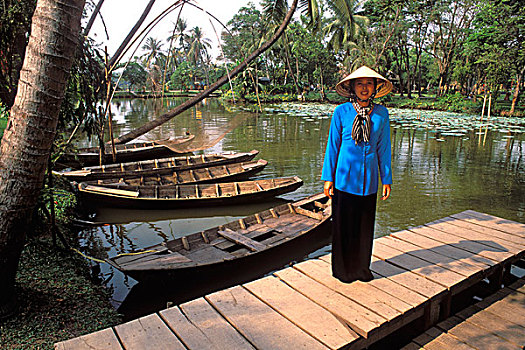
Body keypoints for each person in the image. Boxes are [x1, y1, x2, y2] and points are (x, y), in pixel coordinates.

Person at [321, 65, 393, 283]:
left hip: (369, 181)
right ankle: (343, 270)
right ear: (352, 87)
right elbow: (333, 146)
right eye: (360, 83)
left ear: (375, 87)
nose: (364, 88)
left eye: (369, 83)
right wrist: (328, 177)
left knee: (364, 228)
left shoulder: (381, 113)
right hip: (344, 178)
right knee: (343, 228)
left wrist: (386, 178)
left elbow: (384, 147)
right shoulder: (341, 112)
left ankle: (362, 269)